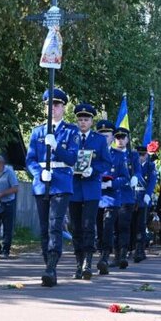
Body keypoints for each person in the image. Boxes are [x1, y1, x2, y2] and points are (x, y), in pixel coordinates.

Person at [25, 87, 79, 287]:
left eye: (56, 105)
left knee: (55, 225)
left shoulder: (71, 131)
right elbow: (30, 160)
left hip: (61, 182)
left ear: (63, 108)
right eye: (49, 105)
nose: (52, 109)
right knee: (44, 228)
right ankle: (48, 264)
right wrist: (39, 174)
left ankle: (52, 268)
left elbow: (73, 158)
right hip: (42, 183)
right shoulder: (37, 131)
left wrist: (56, 146)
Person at [68, 102, 111, 280]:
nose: (83, 122)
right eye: (80, 119)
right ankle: (78, 264)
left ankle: (88, 262)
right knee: (75, 227)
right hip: (75, 187)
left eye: (86, 119)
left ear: (92, 122)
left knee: (88, 226)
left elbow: (106, 162)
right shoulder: (71, 137)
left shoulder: (99, 140)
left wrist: (93, 170)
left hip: (92, 188)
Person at [95, 120, 130, 275]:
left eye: (107, 135)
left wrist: (111, 184)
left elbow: (125, 177)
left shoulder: (118, 155)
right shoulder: (92, 153)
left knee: (108, 227)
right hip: (94, 197)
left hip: (111, 198)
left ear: (111, 137)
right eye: (101, 134)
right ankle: (94, 254)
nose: (104, 137)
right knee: (97, 228)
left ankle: (104, 257)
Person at [112, 126, 140, 268]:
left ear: (128, 139)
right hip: (112, 195)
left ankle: (123, 255)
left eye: (123, 137)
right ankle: (116, 256)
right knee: (114, 227)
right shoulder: (111, 154)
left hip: (127, 196)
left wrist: (135, 177)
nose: (120, 140)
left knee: (124, 226)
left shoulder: (133, 155)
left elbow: (138, 171)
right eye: (117, 137)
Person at [131, 144, 157, 262]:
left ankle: (140, 250)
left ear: (147, 155)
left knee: (141, 226)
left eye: (143, 154)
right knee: (130, 224)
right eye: (139, 155)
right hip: (131, 198)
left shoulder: (151, 166)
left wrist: (148, 194)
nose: (141, 157)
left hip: (143, 198)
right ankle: (129, 248)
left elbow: (152, 181)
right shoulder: (132, 165)